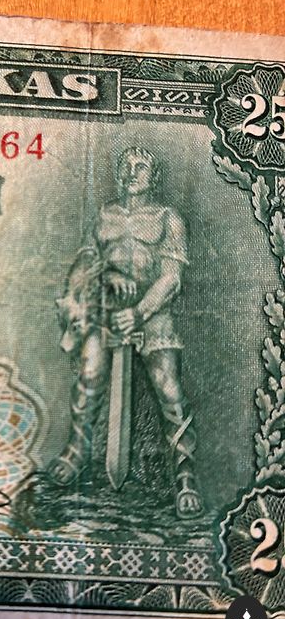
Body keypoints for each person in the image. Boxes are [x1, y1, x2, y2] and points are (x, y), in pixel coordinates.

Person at [51, 147, 203, 519]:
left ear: (154, 177)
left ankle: (185, 474)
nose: (131, 172)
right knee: (89, 375)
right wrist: (107, 274)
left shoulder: (169, 219)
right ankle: (76, 451)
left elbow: (171, 279)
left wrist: (139, 313)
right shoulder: (105, 215)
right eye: (125, 166)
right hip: (106, 310)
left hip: (152, 314)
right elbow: (85, 262)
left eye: (140, 167)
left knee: (170, 389)